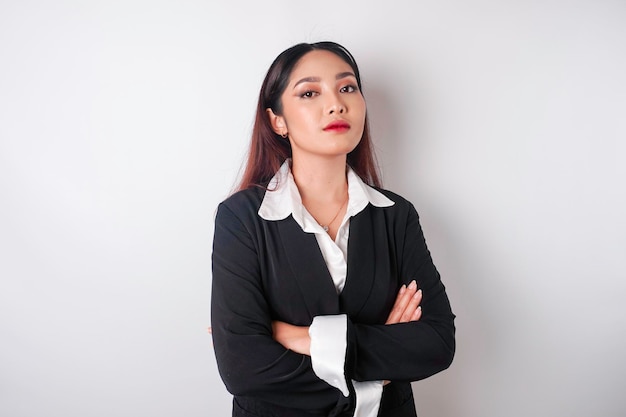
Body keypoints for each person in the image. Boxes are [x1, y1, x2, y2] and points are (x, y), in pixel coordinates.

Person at [210, 41, 455, 417]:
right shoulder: (241, 219)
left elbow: (436, 343)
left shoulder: (396, 215)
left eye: (347, 88)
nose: (336, 104)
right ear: (278, 120)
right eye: (309, 92)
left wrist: (294, 336)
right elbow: (244, 368)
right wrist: (380, 369)